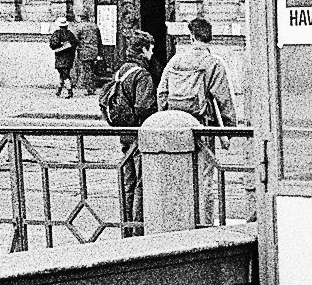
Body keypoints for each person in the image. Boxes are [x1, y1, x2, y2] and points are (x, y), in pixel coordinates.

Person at [157, 16, 236, 222]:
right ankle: (205, 222)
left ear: (191, 37)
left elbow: (162, 93)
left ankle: (180, 220)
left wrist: (165, 118)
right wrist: (228, 131)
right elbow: (224, 99)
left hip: (176, 124)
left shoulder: (175, 60)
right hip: (202, 126)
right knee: (205, 176)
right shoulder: (213, 63)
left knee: (179, 174)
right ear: (210, 38)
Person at [100, 29, 157, 232]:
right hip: (138, 133)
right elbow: (143, 106)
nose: (152, 54)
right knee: (141, 181)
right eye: (151, 49)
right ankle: (138, 227)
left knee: (128, 181)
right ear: (143, 49)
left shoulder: (122, 70)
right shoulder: (142, 74)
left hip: (123, 132)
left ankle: (126, 225)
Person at [72, 8, 103, 95]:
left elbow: (75, 39)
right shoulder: (94, 26)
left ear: (81, 17)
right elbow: (99, 40)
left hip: (84, 51)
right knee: (92, 69)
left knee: (87, 70)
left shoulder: (79, 27)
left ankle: (90, 88)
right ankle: (92, 87)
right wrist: (100, 52)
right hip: (94, 50)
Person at [49, 16, 78, 99]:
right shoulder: (70, 34)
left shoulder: (57, 33)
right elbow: (75, 44)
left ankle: (69, 91)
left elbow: (53, 44)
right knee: (63, 74)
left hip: (60, 56)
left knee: (65, 75)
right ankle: (59, 91)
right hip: (69, 57)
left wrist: (60, 45)